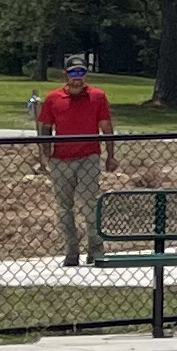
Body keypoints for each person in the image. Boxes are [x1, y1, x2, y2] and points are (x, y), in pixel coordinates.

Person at [31, 56, 112, 265]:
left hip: (89, 156)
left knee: (88, 202)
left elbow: (106, 126)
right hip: (61, 159)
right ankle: (72, 250)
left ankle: (96, 248)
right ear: (65, 75)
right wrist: (45, 154)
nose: (78, 78)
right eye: (73, 73)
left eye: (81, 73)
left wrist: (111, 155)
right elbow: (46, 127)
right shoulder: (53, 98)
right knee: (63, 206)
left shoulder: (98, 96)